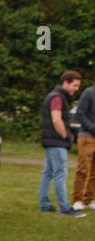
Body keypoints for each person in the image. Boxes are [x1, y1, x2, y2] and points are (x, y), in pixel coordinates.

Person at [39, 69, 85, 216]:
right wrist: (65, 136)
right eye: (75, 85)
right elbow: (56, 119)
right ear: (66, 82)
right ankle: (65, 207)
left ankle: (44, 204)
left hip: (50, 140)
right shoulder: (58, 98)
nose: (76, 89)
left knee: (48, 173)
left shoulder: (54, 96)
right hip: (56, 141)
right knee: (60, 174)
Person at [71, 77, 95, 209]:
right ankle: (77, 199)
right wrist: (92, 127)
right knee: (83, 169)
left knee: (94, 172)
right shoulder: (89, 93)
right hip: (87, 136)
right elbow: (80, 113)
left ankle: (89, 199)